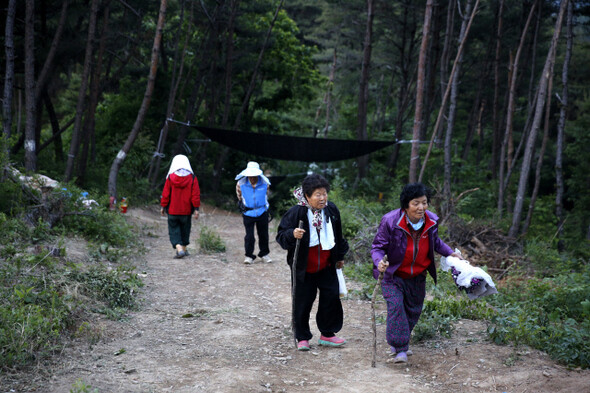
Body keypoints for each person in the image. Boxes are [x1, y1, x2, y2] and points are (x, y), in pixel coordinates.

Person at [371, 182, 463, 363]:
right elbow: (377, 247)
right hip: (393, 275)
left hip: (418, 276)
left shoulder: (431, 221)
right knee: (396, 307)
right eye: (416, 203)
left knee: (413, 311)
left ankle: (400, 341)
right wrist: (379, 262)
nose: (421, 207)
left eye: (424, 202)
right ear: (406, 205)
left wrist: (451, 253)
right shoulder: (390, 221)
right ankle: (400, 348)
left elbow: (436, 243)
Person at [276, 174, 349, 351]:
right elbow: (281, 236)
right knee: (302, 302)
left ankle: (327, 334)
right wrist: (292, 234)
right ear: (307, 196)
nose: (323, 198)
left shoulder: (331, 210)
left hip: (326, 266)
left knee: (331, 299)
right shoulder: (297, 212)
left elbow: (338, 236)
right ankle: (302, 337)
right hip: (303, 269)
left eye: (324, 193)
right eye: (317, 194)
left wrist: (339, 257)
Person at [160, 155, 200, 258]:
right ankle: (184, 249)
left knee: (173, 230)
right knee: (185, 229)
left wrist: (163, 206)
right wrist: (196, 209)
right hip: (186, 211)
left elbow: (166, 194)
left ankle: (179, 248)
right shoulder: (192, 178)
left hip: (172, 210)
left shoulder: (170, 177)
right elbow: (195, 195)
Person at [235, 161, 272, 264]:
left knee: (263, 234)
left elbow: (266, 196)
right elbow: (239, 197)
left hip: (262, 211)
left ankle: (264, 254)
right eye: (250, 175)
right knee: (249, 236)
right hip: (248, 212)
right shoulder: (240, 183)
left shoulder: (265, 183)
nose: (252, 177)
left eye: (254, 175)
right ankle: (249, 256)